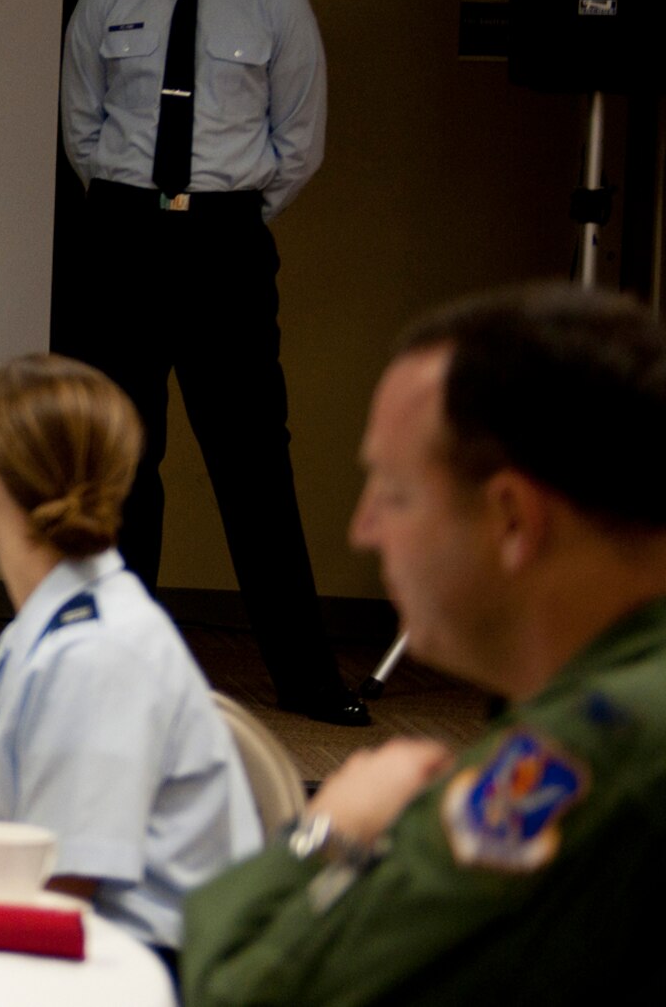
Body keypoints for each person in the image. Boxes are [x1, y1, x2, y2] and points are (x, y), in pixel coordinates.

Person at [180, 283, 666, 1005]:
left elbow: (237, 990)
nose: (362, 529)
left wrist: (327, 831)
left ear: (510, 518)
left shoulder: (589, 749)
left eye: (395, 492)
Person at [59, 0, 363, 726]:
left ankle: (306, 677)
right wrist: (135, 212)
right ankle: (114, 677)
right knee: (121, 461)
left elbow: (298, 143)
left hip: (225, 247)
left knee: (253, 464)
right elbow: (82, 128)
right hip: (121, 241)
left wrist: (223, 217)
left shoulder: (277, 0)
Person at [0, 353, 262, 963]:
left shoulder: (98, 654)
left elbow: (62, 886)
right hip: (78, 937)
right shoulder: (55, 622)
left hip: (145, 967)